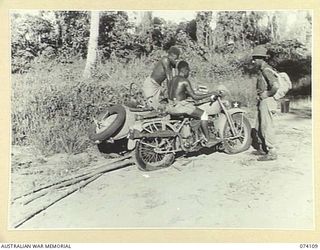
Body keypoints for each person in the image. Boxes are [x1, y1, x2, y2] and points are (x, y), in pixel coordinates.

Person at [166, 61, 222, 145]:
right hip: (180, 106)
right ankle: (208, 139)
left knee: (193, 113)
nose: (188, 72)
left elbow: (177, 92)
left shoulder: (172, 79)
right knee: (204, 115)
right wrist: (211, 93)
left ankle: (195, 135)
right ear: (184, 70)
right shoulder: (184, 81)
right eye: (188, 70)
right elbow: (195, 97)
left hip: (170, 106)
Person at [252, 45, 279, 161]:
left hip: (267, 101)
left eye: (255, 59)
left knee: (267, 126)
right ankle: (263, 148)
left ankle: (272, 151)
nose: (253, 61)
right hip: (263, 101)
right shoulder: (262, 70)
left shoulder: (266, 70)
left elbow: (275, 86)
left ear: (260, 59)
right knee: (259, 125)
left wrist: (266, 94)